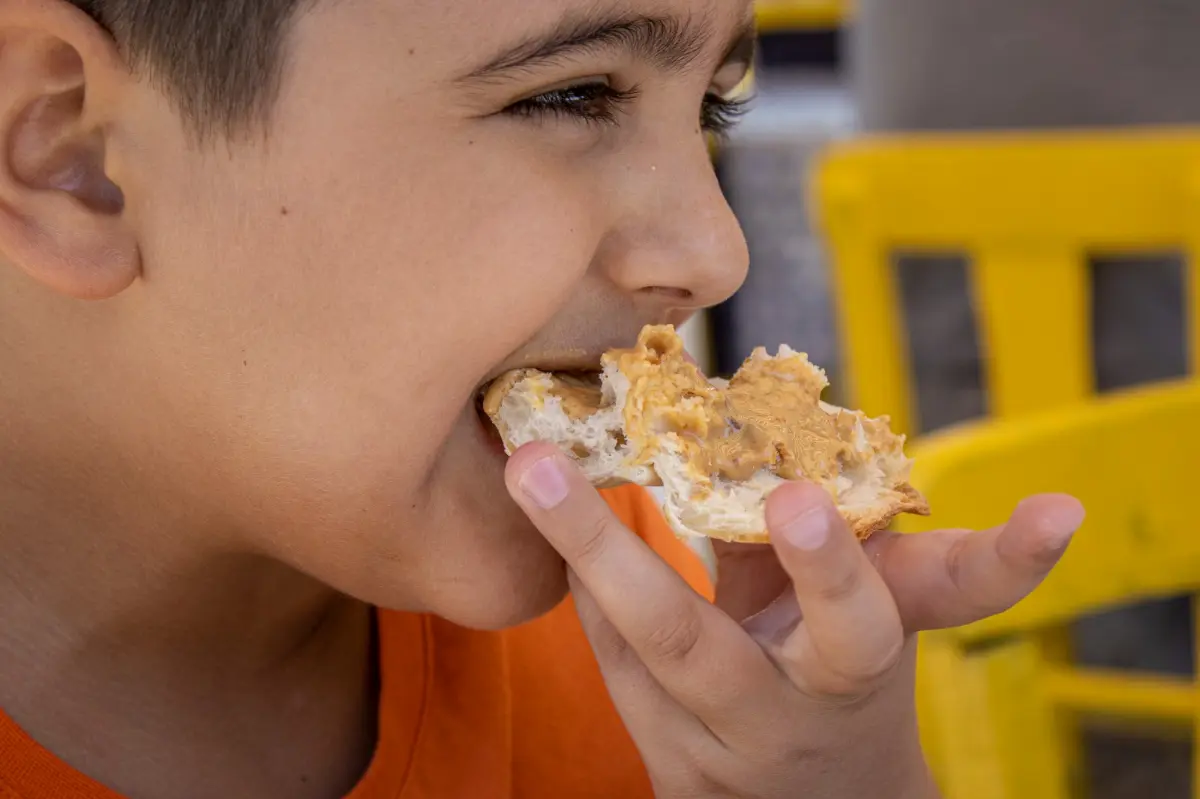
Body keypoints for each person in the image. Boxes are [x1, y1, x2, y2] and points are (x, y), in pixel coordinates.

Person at [0, 1, 1085, 797]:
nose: (717, 253)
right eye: (570, 94)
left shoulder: (651, 612)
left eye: (711, 104)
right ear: (72, 153)